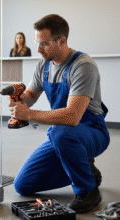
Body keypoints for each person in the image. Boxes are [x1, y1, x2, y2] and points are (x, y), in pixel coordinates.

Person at [9, 14, 110, 214]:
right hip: (62, 134)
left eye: (44, 44)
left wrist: (27, 114)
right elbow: (31, 94)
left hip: (91, 131)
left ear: (61, 41)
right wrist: (21, 99)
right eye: (38, 43)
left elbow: (72, 116)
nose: (38, 49)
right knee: (23, 185)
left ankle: (88, 190)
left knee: (60, 132)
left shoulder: (83, 66)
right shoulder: (43, 64)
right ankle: (87, 171)